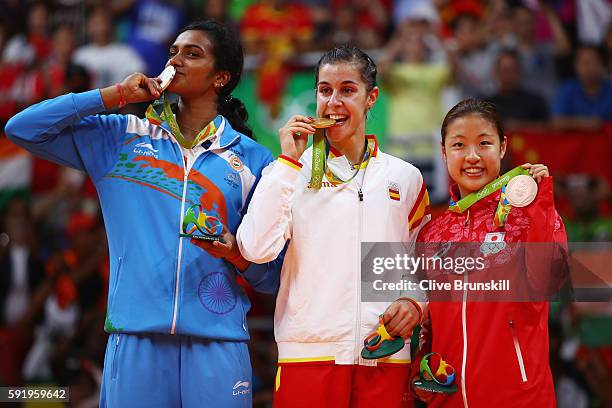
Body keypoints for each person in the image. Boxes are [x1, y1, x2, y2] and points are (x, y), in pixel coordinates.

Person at [5, 20, 281, 407]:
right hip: (134, 337)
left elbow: (271, 275)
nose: (177, 60)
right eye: (174, 52)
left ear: (221, 77)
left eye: (193, 53)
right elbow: (22, 129)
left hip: (218, 341)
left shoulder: (255, 162)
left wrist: (235, 254)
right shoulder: (121, 137)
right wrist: (113, 95)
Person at [237, 46, 430, 407]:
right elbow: (255, 248)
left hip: (384, 354)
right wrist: (287, 163)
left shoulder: (404, 178)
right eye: (325, 90)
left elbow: (420, 266)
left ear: (371, 97)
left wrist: (414, 302)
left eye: (347, 90)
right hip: (308, 355)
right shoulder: (289, 172)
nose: (334, 102)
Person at [412, 99, 568, 407]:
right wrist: (423, 367)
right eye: (459, 145)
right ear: (443, 152)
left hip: (518, 398)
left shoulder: (527, 214)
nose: (472, 156)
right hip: (450, 400)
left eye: (484, 143)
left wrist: (539, 205)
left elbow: (548, 280)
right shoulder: (433, 232)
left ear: (502, 147)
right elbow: (429, 324)